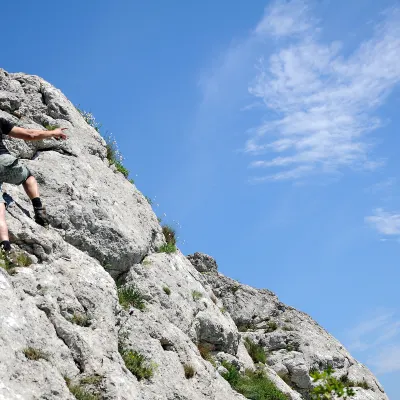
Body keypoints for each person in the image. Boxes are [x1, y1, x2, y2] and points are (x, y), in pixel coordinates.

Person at [0, 116, 67, 252]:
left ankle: (5, 246)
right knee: (28, 177)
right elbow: (30, 135)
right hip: (3, 161)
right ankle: (38, 208)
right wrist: (54, 132)